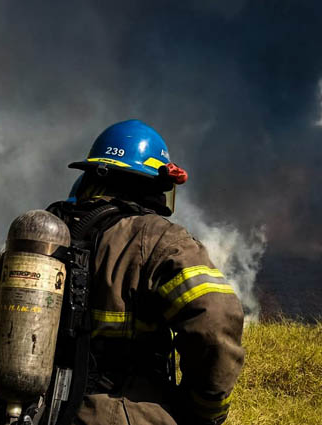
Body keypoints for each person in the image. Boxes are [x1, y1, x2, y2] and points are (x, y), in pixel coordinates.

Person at [47, 119, 245, 425]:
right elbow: (215, 319)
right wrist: (205, 411)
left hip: (35, 408)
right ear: (150, 183)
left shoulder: (46, 232)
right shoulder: (158, 239)